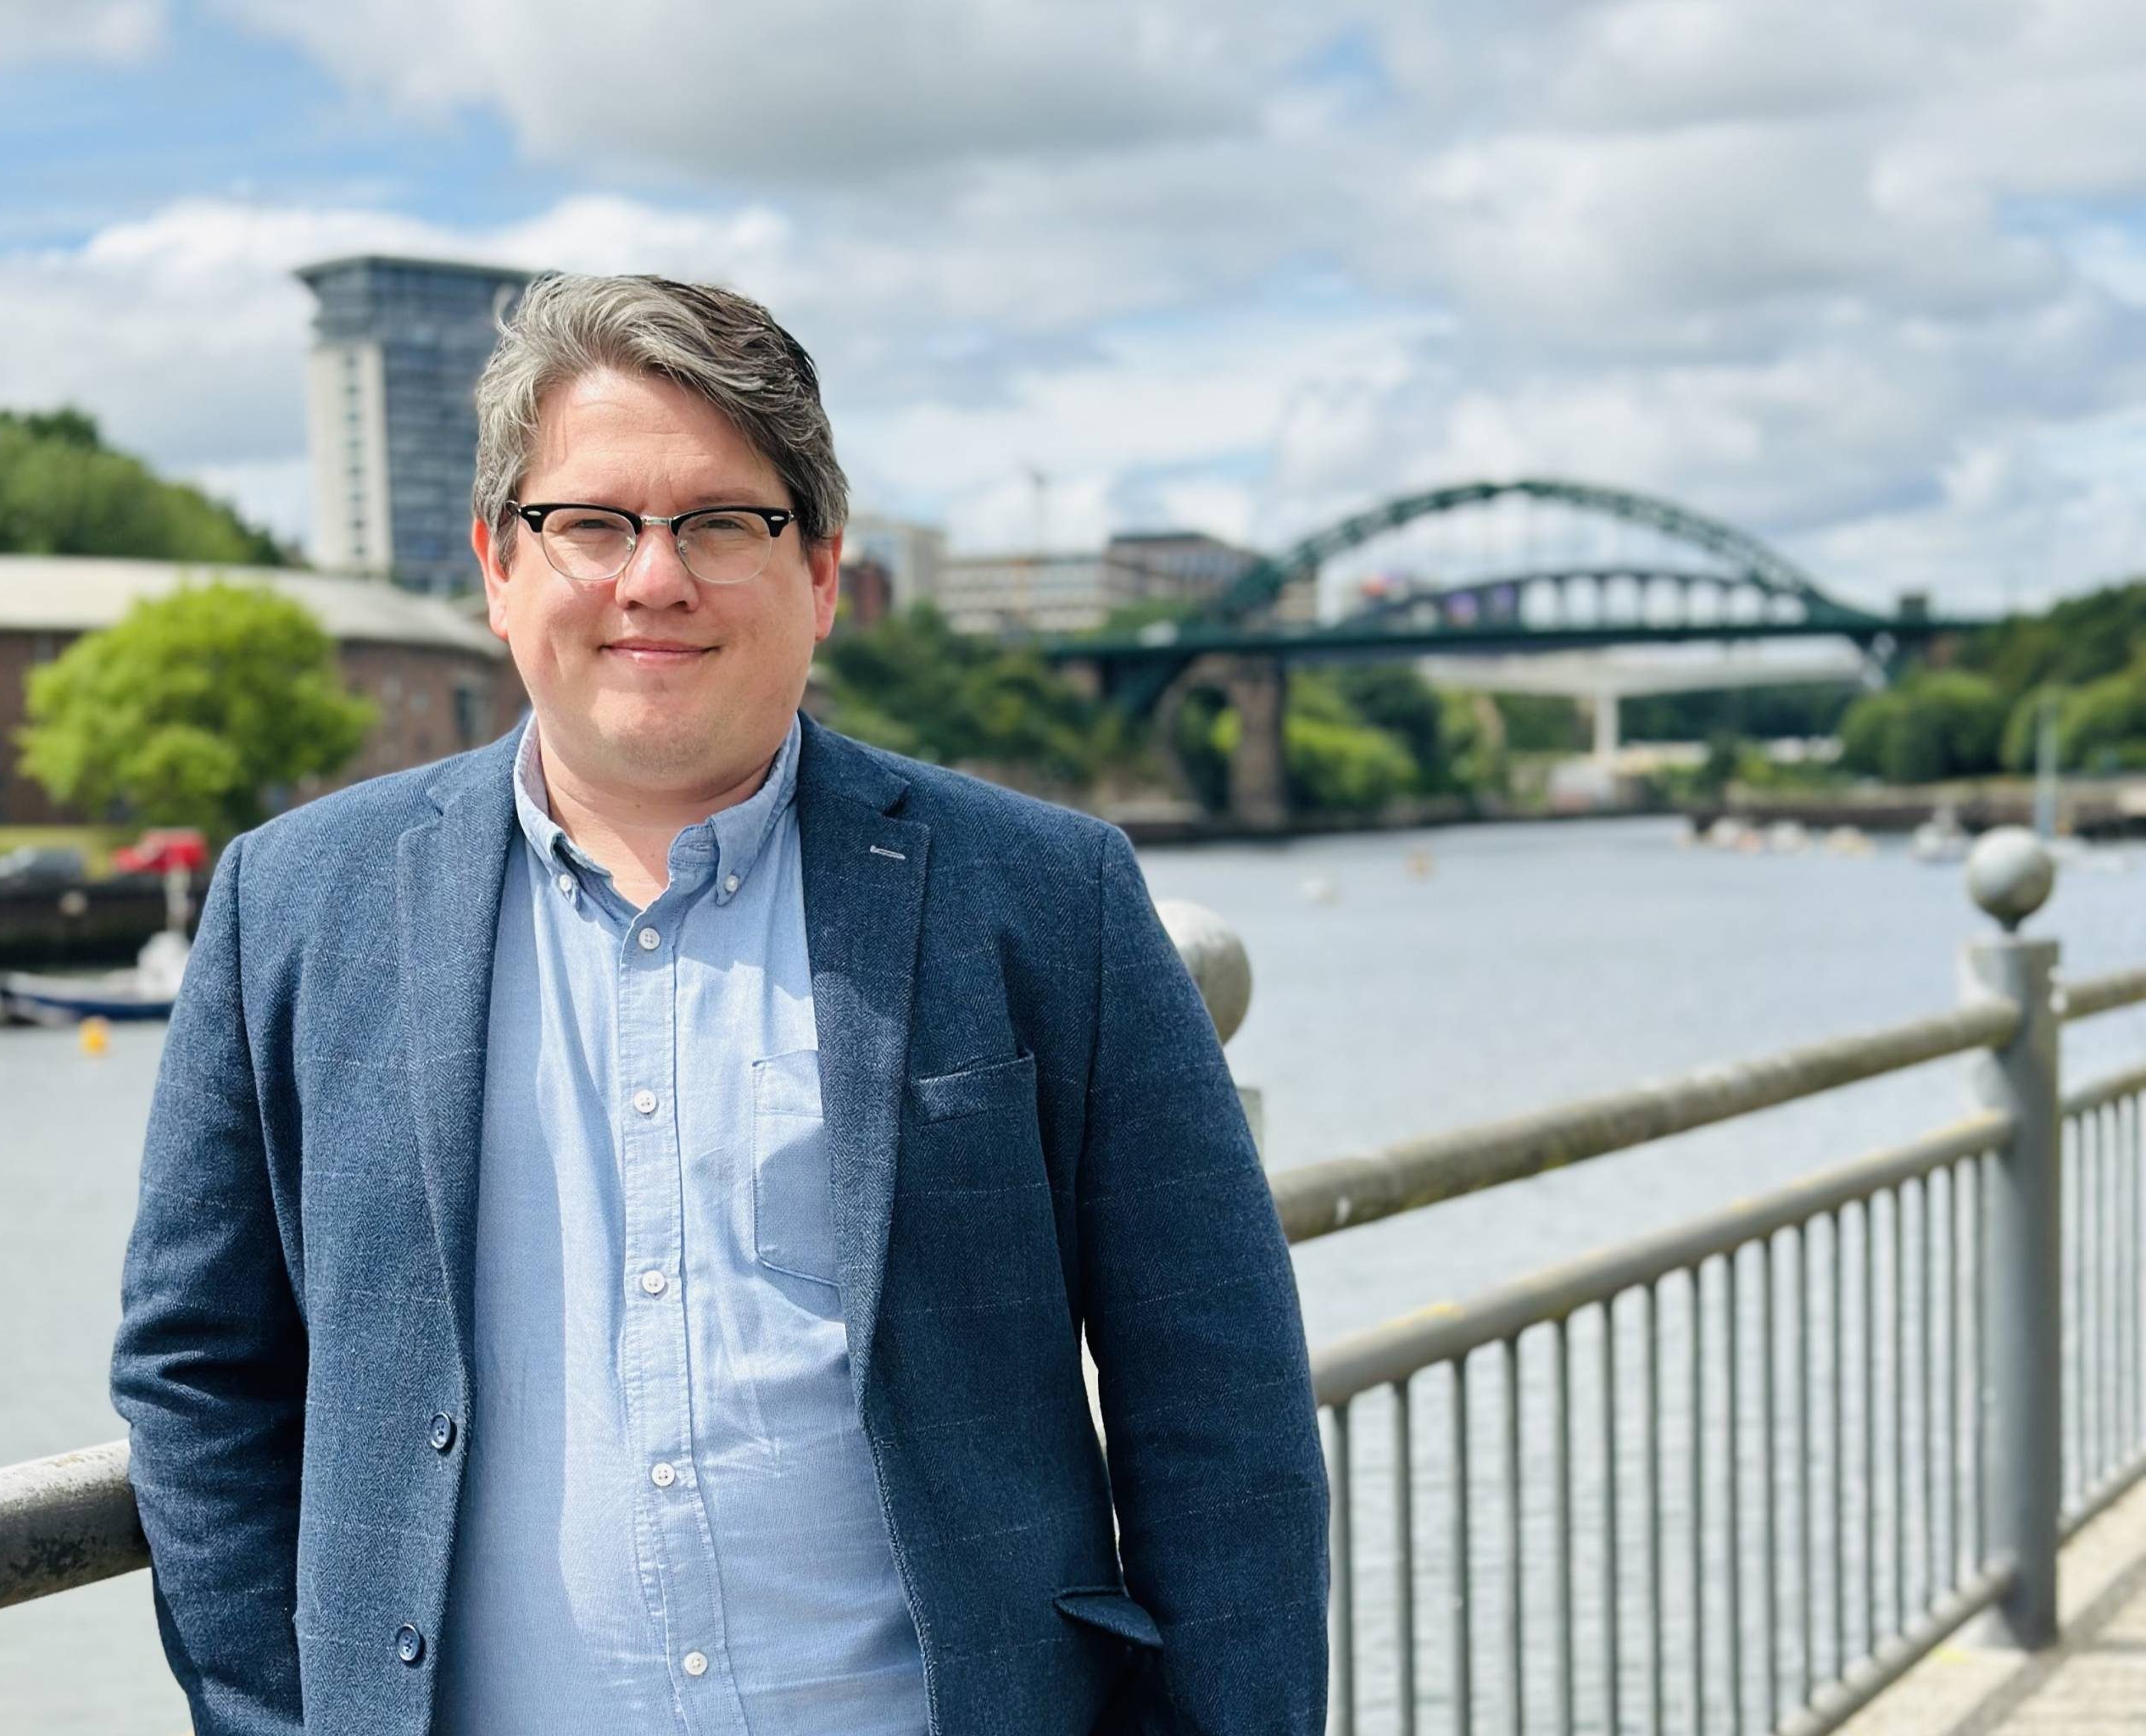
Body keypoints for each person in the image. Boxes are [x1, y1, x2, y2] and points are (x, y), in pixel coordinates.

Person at [112, 273, 1327, 1736]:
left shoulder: (1048, 898)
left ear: (820, 574)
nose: (655, 578)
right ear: (499, 566)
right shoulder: (294, 907)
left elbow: (1218, 1398)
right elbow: (197, 1373)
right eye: (593, 523)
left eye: (721, 523)